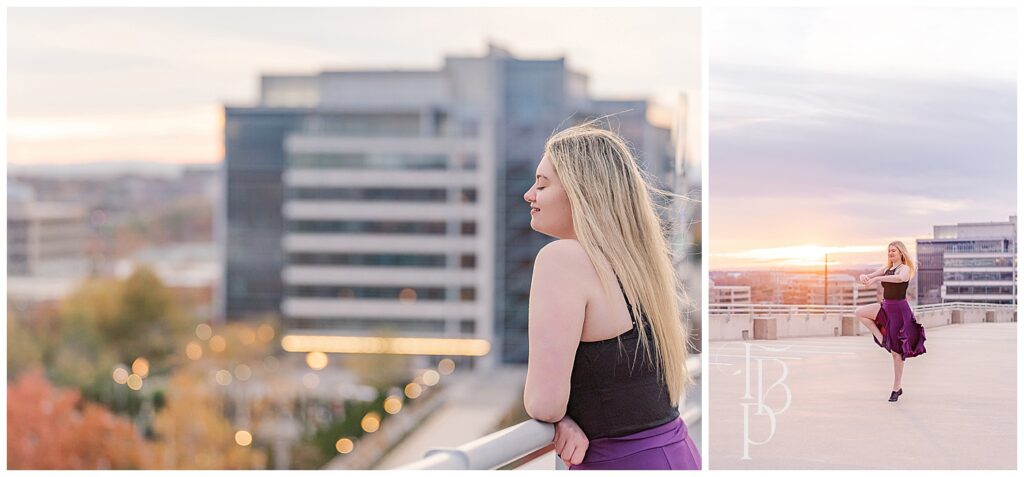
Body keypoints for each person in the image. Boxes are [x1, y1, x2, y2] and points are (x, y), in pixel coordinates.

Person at [520, 122, 701, 470]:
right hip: (675, 453)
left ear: (582, 192)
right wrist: (566, 418)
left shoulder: (562, 259)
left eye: (542, 184)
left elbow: (544, 403)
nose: (530, 194)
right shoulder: (638, 267)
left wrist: (558, 418)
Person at [854, 241, 927, 402]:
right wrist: (864, 277)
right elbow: (869, 277)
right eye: (889, 251)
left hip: (899, 311)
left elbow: (900, 279)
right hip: (886, 307)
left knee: (897, 353)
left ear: (901, 252)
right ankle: (882, 340)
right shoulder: (886, 268)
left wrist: (879, 278)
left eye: (893, 250)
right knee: (860, 312)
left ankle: (897, 387)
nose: (890, 253)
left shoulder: (905, 269)